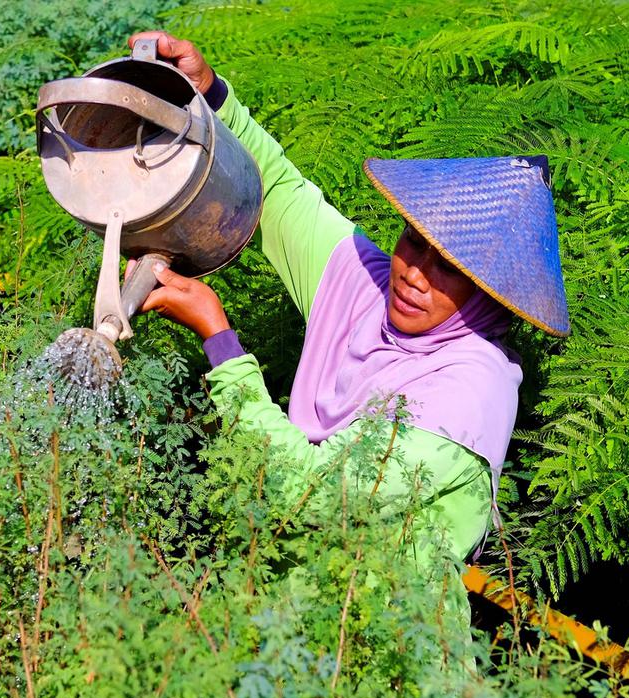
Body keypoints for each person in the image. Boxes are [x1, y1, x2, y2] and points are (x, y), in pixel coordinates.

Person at [125, 32, 570, 576]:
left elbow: (311, 498)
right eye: (413, 242)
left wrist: (221, 344)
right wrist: (211, 96)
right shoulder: (366, 287)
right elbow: (278, 191)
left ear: (490, 297)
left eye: (451, 269)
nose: (414, 275)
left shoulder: (467, 394)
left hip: (377, 621)